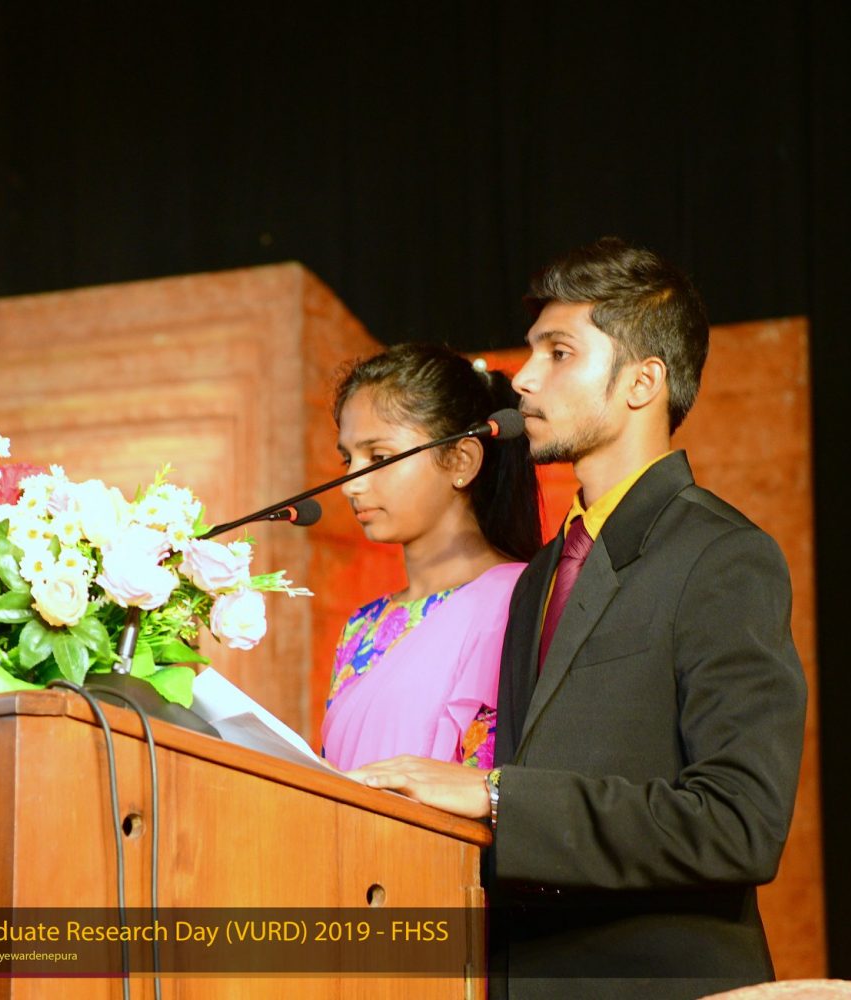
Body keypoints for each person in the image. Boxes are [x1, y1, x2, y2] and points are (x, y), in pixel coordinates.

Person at [347, 239, 809, 999]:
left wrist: (496, 794)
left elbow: (740, 823)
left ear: (642, 382)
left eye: (559, 353)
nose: (524, 378)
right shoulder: (539, 573)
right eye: (532, 351)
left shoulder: (723, 556)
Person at [321, 343, 543, 772]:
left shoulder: (522, 600)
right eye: (348, 459)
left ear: (461, 460)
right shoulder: (362, 625)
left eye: (378, 457)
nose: (351, 483)